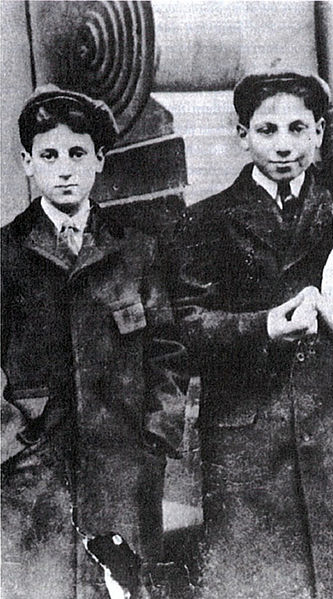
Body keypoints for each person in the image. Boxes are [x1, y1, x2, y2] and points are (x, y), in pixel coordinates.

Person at [172, 72, 333, 598]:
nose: (284, 144)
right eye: (267, 130)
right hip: (251, 453)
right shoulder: (206, 221)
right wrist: (262, 325)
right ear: (242, 133)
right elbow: (183, 328)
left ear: (318, 134)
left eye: (297, 128)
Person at [1, 85, 186, 599]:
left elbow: (167, 352)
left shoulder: (136, 250)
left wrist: (156, 438)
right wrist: (12, 446)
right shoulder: (6, 255)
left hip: (124, 472)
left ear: (99, 160)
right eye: (49, 155)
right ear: (26, 162)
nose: (64, 169)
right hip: (34, 475)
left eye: (78, 154)